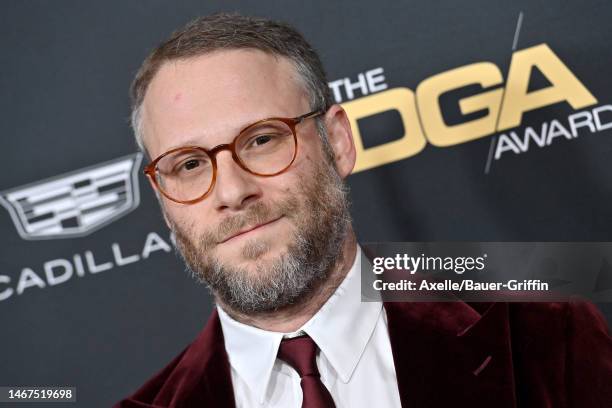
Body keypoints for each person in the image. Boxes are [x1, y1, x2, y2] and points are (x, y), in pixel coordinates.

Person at [115, 13, 612, 408]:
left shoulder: (543, 334)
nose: (232, 190)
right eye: (188, 165)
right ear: (162, 199)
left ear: (338, 142)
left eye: (262, 139)